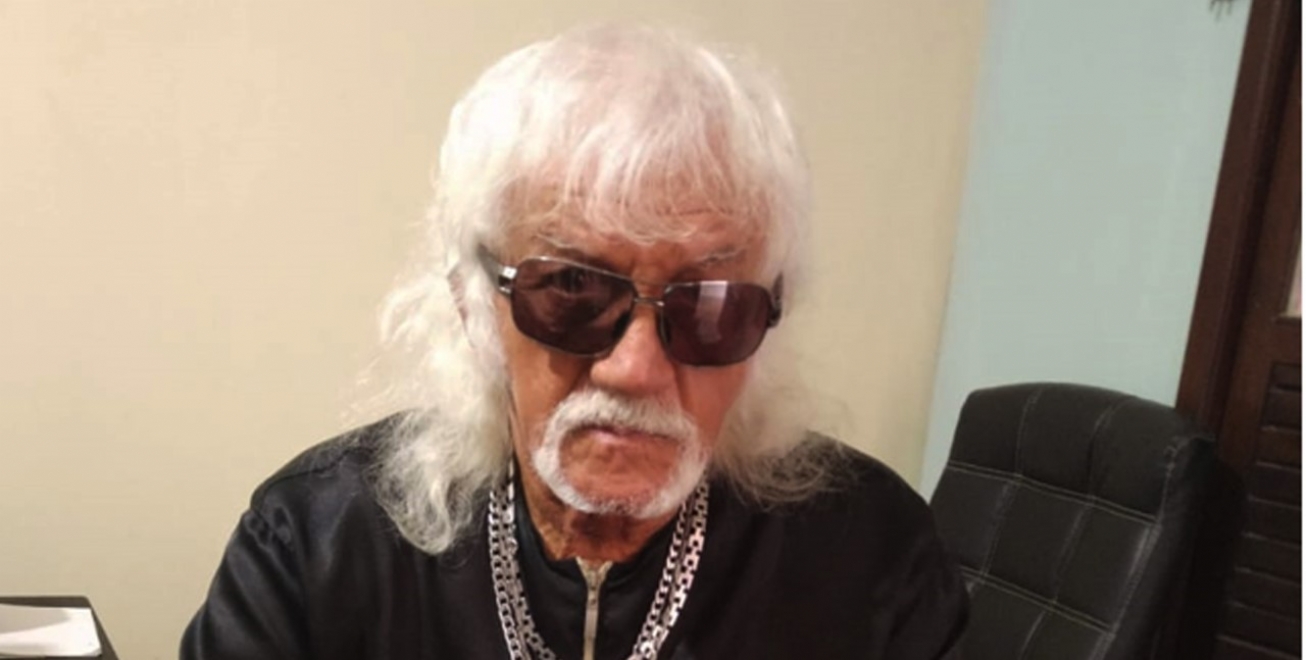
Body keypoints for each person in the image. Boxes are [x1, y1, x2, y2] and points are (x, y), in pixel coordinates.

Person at [181, 23, 967, 660]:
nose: (636, 368)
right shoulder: (315, 545)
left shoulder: (873, 557)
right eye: (572, 291)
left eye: (710, 306)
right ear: (472, 303)